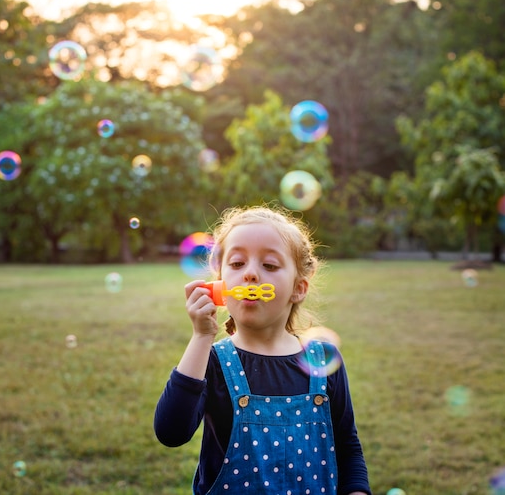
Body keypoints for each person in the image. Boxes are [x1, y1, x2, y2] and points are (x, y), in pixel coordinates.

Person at [154, 205, 371, 495]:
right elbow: (171, 432)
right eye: (236, 264)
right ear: (219, 286)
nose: (251, 275)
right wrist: (201, 336)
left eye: (269, 265)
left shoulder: (321, 359)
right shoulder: (213, 361)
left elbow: (347, 447)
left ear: (299, 288)